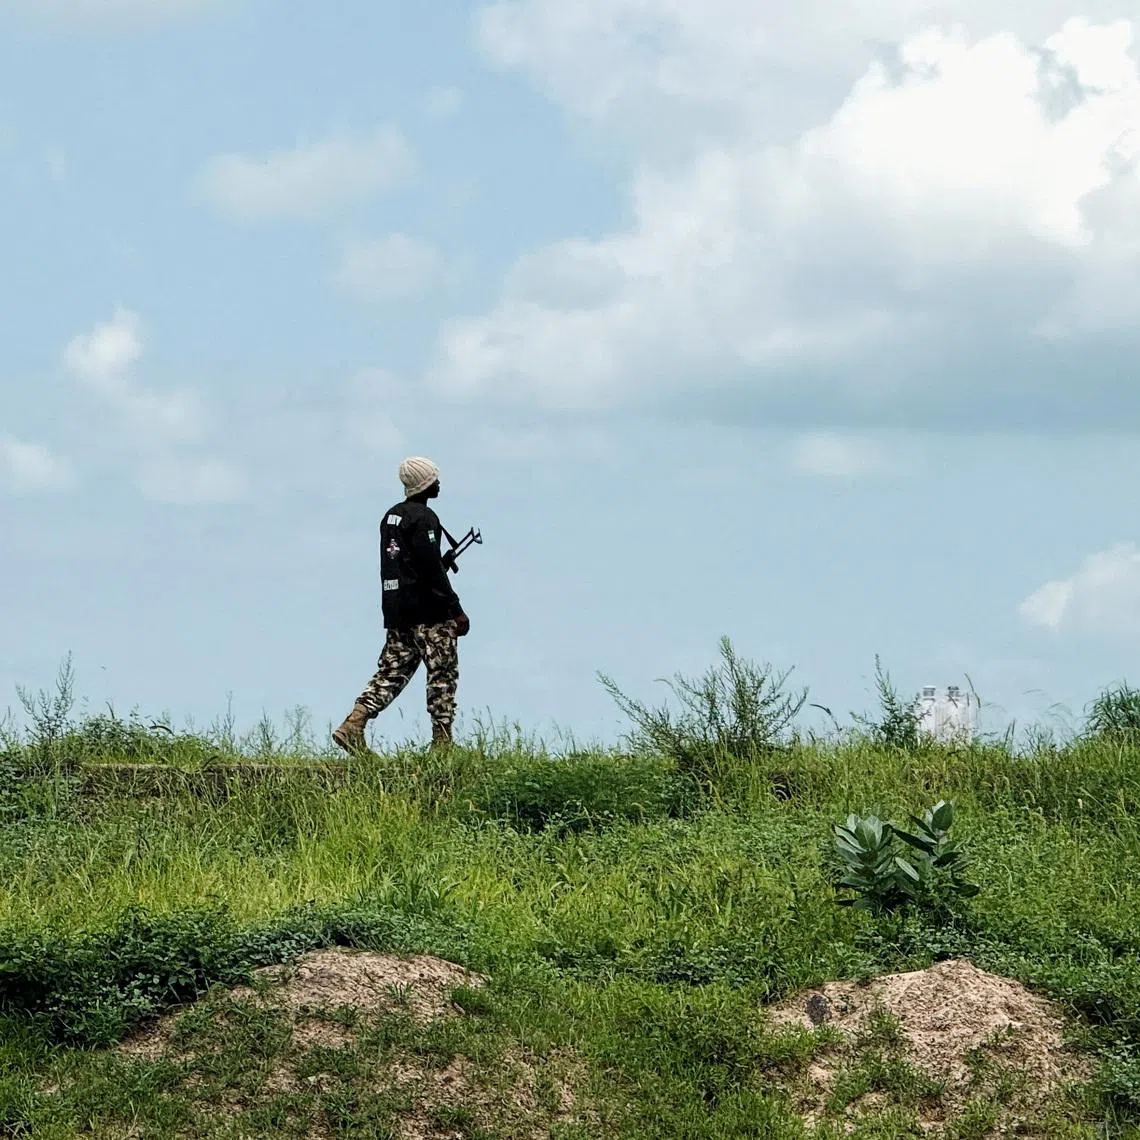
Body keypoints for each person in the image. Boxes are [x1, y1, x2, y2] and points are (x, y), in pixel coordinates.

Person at [333, 457, 470, 754]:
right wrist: (455, 608)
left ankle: (353, 724)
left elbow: (408, 565)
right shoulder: (424, 519)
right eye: (434, 479)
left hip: (398, 612)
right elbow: (431, 569)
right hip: (430, 613)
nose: (438, 483)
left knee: (391, 672)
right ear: (426, 483)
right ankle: (442, 743)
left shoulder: (391, 517)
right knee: (442, 672)